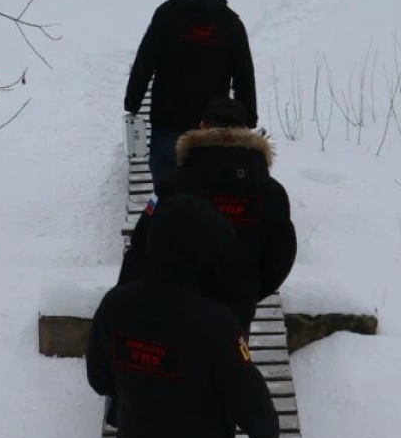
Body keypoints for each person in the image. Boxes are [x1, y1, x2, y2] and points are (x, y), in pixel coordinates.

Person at [87, 194, 279, 438]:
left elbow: (99, 378)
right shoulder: (218, 324)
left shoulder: (116, 305)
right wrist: (265, 433)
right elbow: (249, 399)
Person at [119, 97, 297, 329]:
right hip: (237, 310)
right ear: (246, 131)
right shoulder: (272, 192)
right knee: (230, 363)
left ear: (202, 127)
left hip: (179, 306)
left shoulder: (175, 183)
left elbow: (143, 243)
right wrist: (249, 290)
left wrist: (123, 301)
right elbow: (282, 255)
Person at [124, 0, 257, 187]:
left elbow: (145, 60)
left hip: (167, 118)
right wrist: (248, 118)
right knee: (207, 185)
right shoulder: (231, 24)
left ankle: (165, 218)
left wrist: (133, 101)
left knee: (165, 186)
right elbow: (244, 75)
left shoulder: (167, 13)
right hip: (211, 124)